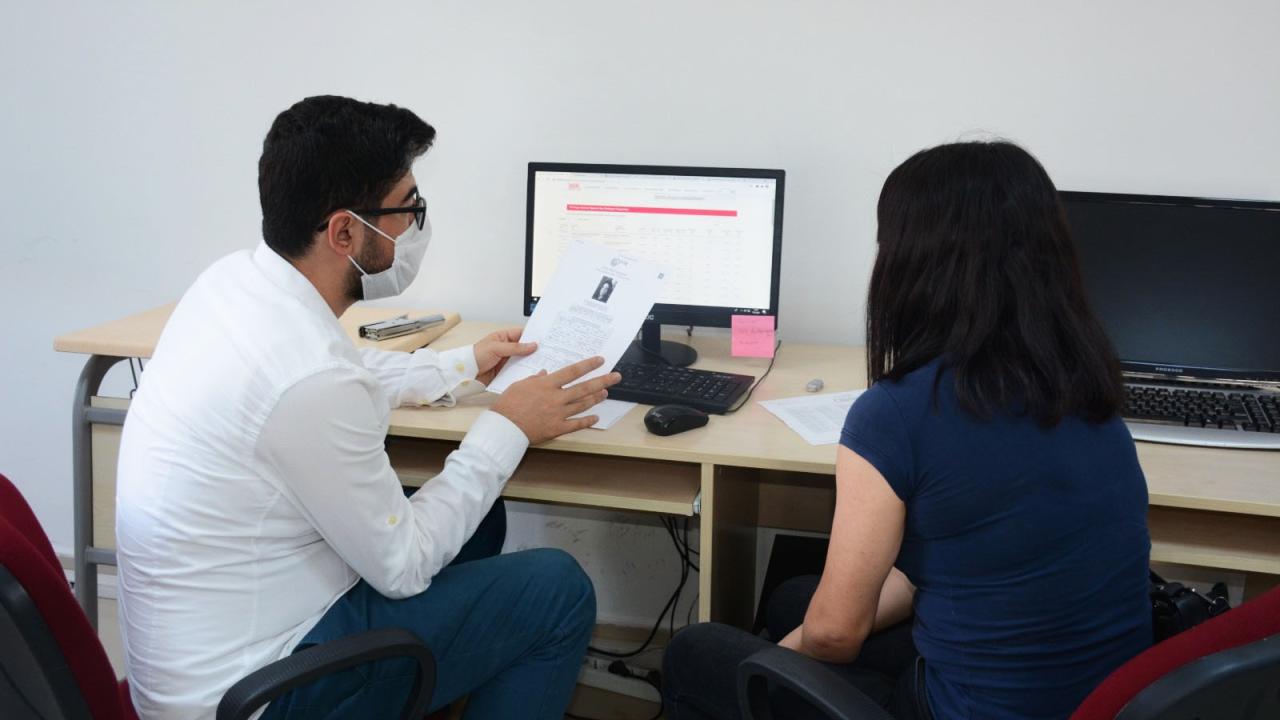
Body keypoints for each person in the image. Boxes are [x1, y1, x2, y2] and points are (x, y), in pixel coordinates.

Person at [115, 95, 621, 719]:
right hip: (261, 694)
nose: (417, 224)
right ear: (344, 232)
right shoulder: (309, 382)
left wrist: (463, 364)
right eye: (408, 208)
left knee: (479, 520)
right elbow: (403, 565)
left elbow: (339, 370)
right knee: (556, 590)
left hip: (216, 648)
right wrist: (508, 425)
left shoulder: (234, 284)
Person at [663, 141, 1152, 719]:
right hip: (1100, 701)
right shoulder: (1084, 387)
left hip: (969, 712)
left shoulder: (898, 414)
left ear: (915, 265)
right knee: (795, 598)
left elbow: (834, 637)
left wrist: (771, 663)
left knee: (697, 651)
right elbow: (958, 558)